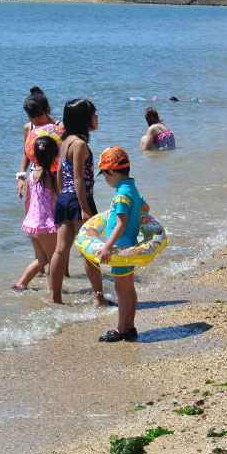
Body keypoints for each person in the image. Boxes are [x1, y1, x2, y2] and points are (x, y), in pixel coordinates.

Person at [49, 99, 106, 306]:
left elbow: (59, 174)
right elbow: (78, 178)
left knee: (60, 250)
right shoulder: (80, 145)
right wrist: (84, 208)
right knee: (89, 251)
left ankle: (55, 298)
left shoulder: (65, 142)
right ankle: (99, 299)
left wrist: (59, 197)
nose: (97, 118)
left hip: (65, 199)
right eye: (94, 114)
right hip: (80, 201)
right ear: (84, 120)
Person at [96, 147, 145, 343]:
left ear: (113, 172)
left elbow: (121, 223)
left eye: (105, 175)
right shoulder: (131, 187)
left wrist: (107, 246)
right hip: (129, 247)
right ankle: (130, 326)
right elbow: (143, 206)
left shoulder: (121, 195)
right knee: (128, 289)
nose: (105, 180)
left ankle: (121, 329)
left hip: (121, 250)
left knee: (121, 291)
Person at [13, 136, 59, 290]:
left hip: (32, 223)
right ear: (54, 156)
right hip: (45, 225)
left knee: (41, 259)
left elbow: (29, 199)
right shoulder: (51, 177)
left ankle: (21, 284)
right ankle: (54, 291)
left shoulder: (31, 176)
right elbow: (59, 197)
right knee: (53, 259)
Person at [17, 87, 55, 201]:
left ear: (47, 110)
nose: (35, 120)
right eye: (31, 117)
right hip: (36, 176)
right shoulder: (29, 127)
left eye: (39, 116)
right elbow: (26, 151)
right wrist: (21, 176)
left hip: (55, 176)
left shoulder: (58, 128)